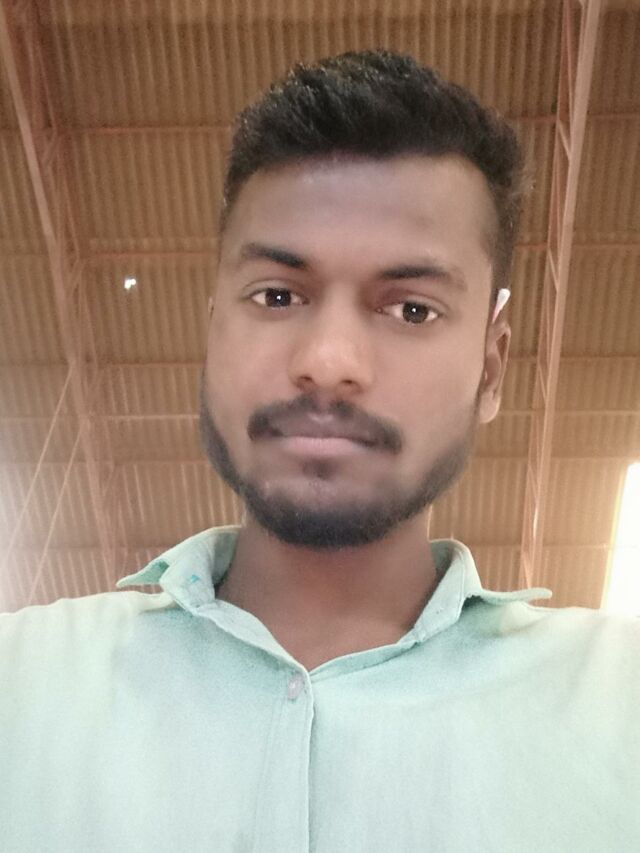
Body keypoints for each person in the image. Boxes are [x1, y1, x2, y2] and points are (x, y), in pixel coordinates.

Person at [1, 49, 638, 853]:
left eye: (411, 309)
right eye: (277, 296)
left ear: (492, 364)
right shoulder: (19, 685)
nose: (329, 360)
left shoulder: (621, 707)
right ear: (212, 329)